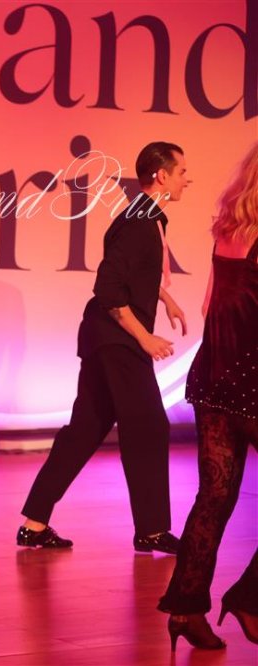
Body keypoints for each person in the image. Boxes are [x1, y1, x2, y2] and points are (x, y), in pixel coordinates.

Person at [17, 142, 189, 553]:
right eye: (182, 172)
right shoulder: (139, 222)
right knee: (149, 426)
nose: (187, 179)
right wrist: (145, 337)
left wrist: (165, 299)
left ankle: (34, 523)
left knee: (86, 429)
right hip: (118, 341)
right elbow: (109, 289)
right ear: (161, 176)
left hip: (103, 338)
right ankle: (151, 529)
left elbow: (131, 276)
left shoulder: (144, 218)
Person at [159, 142, 258, 650]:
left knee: (214, 498)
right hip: (253, 380)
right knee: (215, 497)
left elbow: (210, 305)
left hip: (217, 377)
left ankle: (185, 609)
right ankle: (251, 600)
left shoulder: (229, 229)